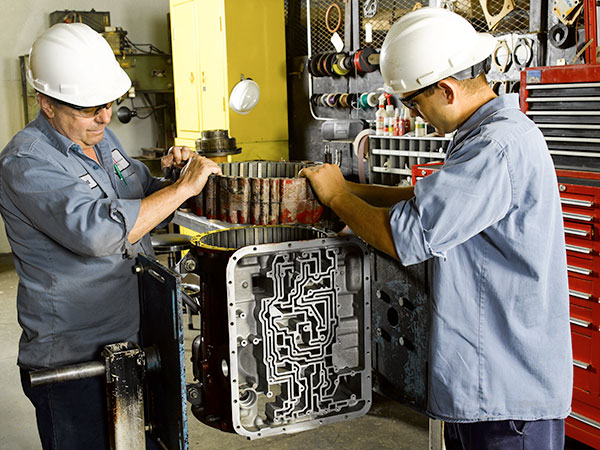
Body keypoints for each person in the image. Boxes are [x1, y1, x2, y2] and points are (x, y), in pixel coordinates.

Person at [302, 7, 571, 450]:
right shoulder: (485, 135)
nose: (414, 113)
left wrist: (337, 198)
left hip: (508, 401)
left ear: (445, 90)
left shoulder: (497, 147)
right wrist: (353, 190)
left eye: (413, 102)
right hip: (483, 386)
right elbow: (427, 200)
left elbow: (404, 234)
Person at [0, 23, 221, 450]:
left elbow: (139, 198)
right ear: (46, 103)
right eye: (89, 109)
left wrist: (172, 180)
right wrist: (181, 190)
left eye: (109, 104)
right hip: (73, 357)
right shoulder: (26, 163)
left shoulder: (100, 139)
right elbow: (99, 233)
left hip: (133, 338)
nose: (104, 116)